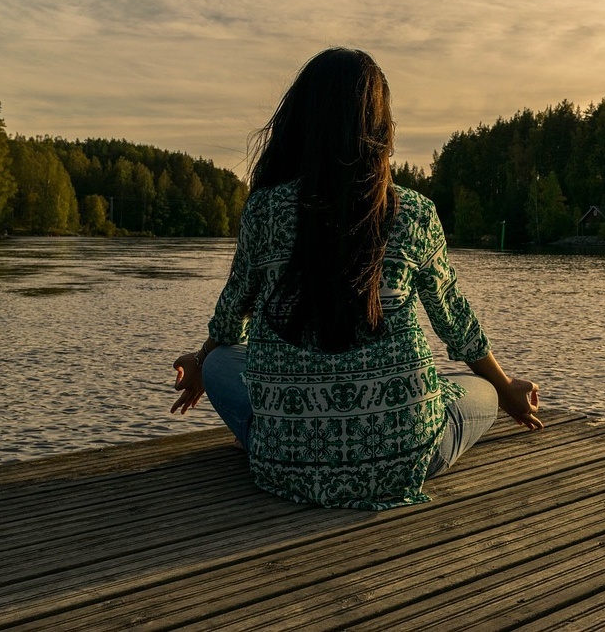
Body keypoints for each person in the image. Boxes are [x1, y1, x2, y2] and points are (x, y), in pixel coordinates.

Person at [171, 48, 542, 510]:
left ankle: (277, 438)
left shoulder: (264, 210)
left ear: (301, 121)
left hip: (285, 466)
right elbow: (456, 324)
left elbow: (231, 317)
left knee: (224, 361)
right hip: (404, 458)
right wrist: (507, 389)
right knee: (481, 390)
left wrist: (204, 360)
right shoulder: (414, 212)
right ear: (381, 128)